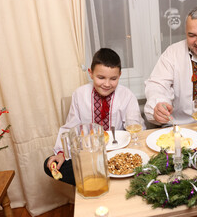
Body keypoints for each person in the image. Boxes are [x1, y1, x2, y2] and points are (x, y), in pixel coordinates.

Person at [44, 48, 144, 185]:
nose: (107, 84)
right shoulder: (79, 95)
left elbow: (135, 128)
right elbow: (70, 128)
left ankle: (100, 177)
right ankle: (106, 177)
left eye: (113, 78)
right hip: (88, 156)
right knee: (48, 165)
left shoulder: (127, 96)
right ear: (90, 73)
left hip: (117, 154)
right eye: (101, 77)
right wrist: (61, 153)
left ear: (120, 75)